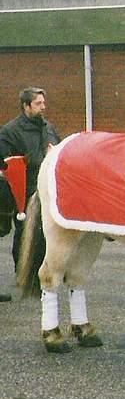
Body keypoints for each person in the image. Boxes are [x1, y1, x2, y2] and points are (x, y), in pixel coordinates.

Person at [0, 87, 60, 275]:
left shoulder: (48, 128)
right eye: (38, 103)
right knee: (25, 234)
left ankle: (42, 271)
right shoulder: (10, 131)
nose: (43, 107)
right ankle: (23, 272)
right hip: (24, 192)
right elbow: (5, 162)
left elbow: (59, 150)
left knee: (46, 234)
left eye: (43, 102)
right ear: (26, 106)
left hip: (48, 190)